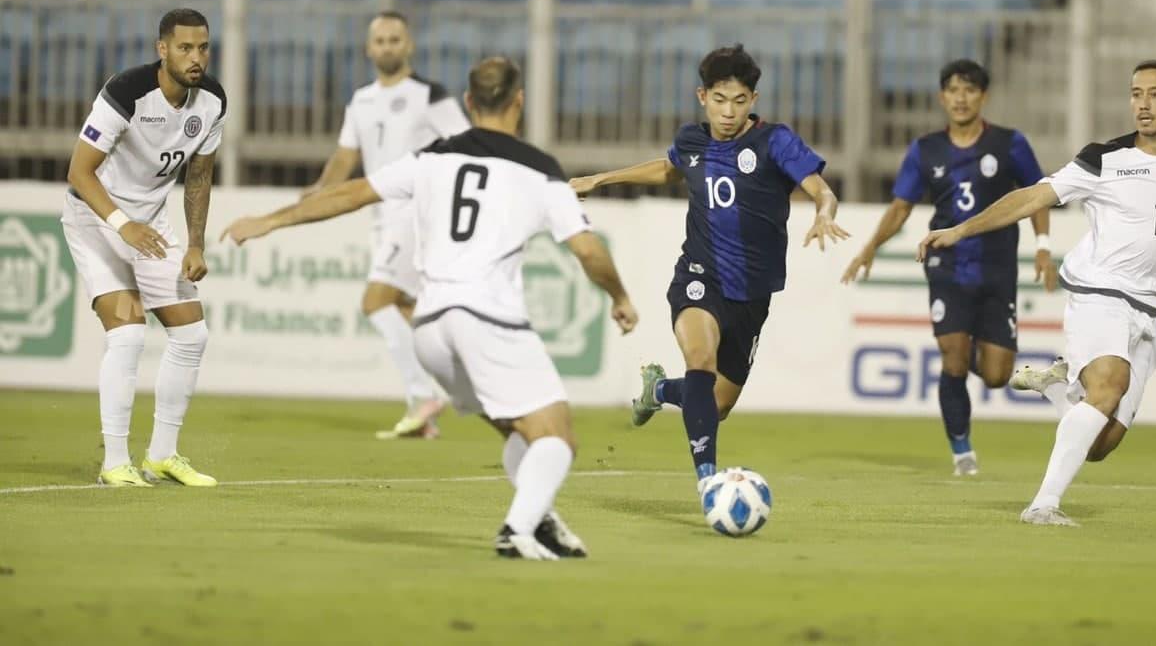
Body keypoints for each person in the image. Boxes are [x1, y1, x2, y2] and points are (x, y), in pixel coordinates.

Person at [223, 56, 638, 559]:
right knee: (558, 439)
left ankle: (540, 518)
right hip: (486, 319)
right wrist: (619, 296)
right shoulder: (539, 169)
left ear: (468, 102)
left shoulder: (431, 157)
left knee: (523, 429)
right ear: (520, 101)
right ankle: (517, 530)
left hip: (430, 328)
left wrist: (270, 220)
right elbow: (589, 251)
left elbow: (352, 193)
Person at [918, 60, 1156, 525]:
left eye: (1155, 94)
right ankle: (1042, 506)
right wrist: (961, 229)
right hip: (1100, 294)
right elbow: (1032, 196)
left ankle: (1056, 388)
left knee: (1100, 444)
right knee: (1108, 385)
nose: (1143, 104)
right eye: (1136, 94)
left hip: (1153, 311)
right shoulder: (1103, 159)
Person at [571, 44, 848, 503]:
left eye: (739, 101)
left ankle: (659, 390)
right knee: (699, 359)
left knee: (715, 404)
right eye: (719, 100)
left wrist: (824, 211)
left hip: (752, 294)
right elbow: (668, 169)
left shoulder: (775, 142)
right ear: (703, 97)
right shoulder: (691, 141)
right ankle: (708, 483)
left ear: (753, 100)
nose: (728, 111)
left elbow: (822, 190)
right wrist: (599, 180)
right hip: (699, 277)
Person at [841, 59, 1056, 476]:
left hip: (997, 268)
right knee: (954, 360)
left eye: (969, 90)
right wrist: (870, 248)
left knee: (996, 375)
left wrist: (1043, 246)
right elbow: (901, 207)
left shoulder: (1010, 144)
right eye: (953, 90)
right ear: (942, 97)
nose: (961, 98)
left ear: (983, 96)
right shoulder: (926, 150)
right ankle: (962, 453)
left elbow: (1038, 196)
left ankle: (966, 349)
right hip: (946, 264)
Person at [62, 8, 225, 487]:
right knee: (129, 334)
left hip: (150, 225)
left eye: (203, 48)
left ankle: (161, 456)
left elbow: (199, 176)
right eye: (185, 48)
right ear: (162, 49)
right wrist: (122, 224)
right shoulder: (127, 91)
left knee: (192, 335)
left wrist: (195, 244)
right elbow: (79, 172)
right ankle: (115, 462)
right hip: (96, 219)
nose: (196, 58)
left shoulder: (212, 101)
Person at [304, 11, 470, 440]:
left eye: (395, 39)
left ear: (409, 45)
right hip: (382, 215)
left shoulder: (430, 95)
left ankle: (422, 396)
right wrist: (321, 191)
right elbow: (346, 155)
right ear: (368, 48)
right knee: (408, 310)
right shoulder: (361, 100)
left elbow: (468, 144)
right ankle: (462, 392)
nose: (387, 47)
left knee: (376, 301)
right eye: (380, 40)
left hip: (416, 212)